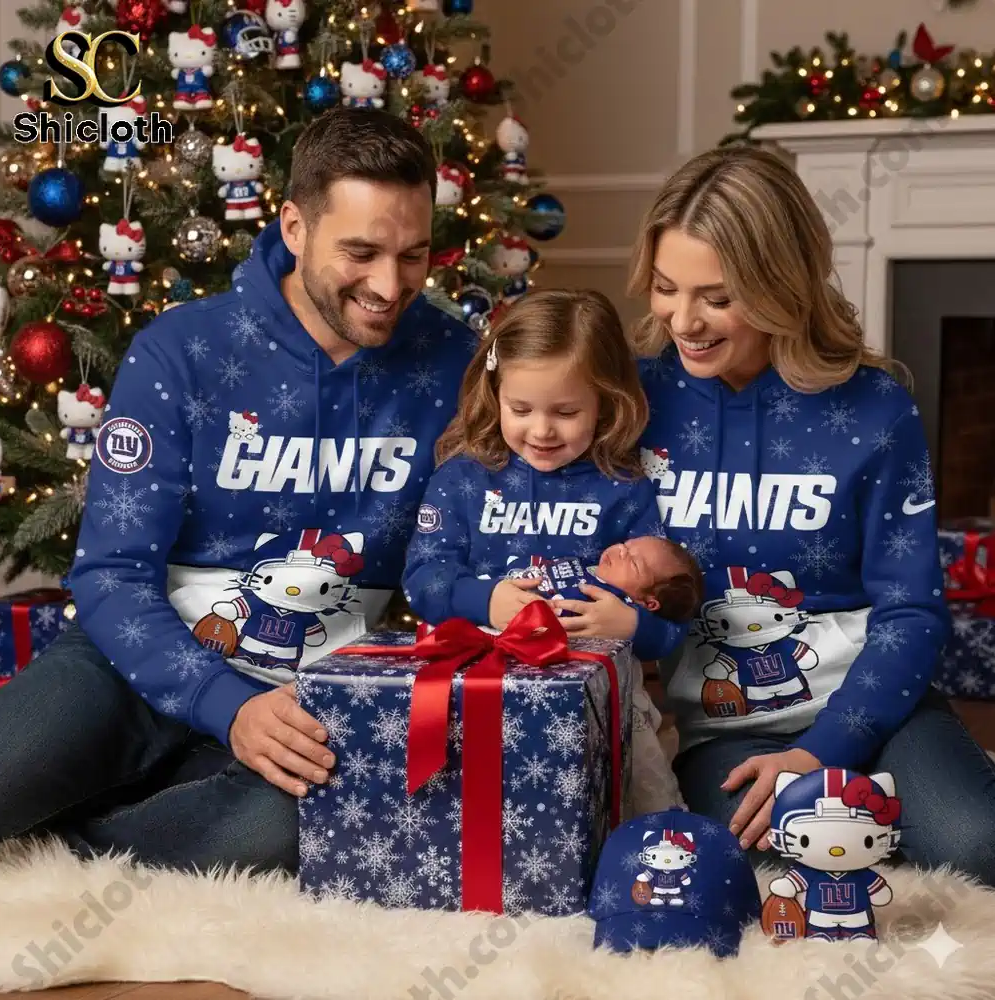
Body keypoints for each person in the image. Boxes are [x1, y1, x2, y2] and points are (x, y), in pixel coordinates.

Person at [0, 108, 477, 876]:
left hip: (316, 691)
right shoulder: (181, 350)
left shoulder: (458, 366)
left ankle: (85, 844)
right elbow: (111, 576)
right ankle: (129, 791)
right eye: (361, 252)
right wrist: (227, 706)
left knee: (280, 836)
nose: (391, 286)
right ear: (294, 226)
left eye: (413, 255)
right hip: (137, 663)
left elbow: (477, 538)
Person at [590, 143, 993, 883]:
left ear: (782, 284)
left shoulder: (875, 408)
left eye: (717, 297)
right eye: (666, 287)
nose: (685, 321)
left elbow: (912, 613)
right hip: (721, 727)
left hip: (873, 707)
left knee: (975, 848)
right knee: (755, 863)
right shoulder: (631, 400)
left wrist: (823, 752)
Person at [401, 288, 689, 815]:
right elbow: (422, 576)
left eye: (566, 411)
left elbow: (672, 615)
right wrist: (484, 600)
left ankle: (653, 863)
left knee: (644, 792)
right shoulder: (462, 480)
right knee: (485, 800)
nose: (541, 430)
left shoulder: (623, 488)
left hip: (601, 691)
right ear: (495, 391)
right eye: (521, 408)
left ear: (606, 400)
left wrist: (629, 625)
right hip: (484, 681)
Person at [502, 537, 703, 625]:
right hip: (505, 583)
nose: (620, 550)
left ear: (648, 602)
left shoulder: (608, 603)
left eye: (633, 562)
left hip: (514, 614)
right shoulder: (589, 566)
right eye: (626, 544)